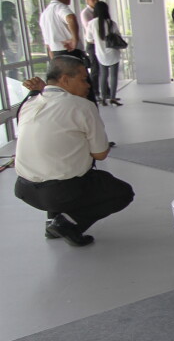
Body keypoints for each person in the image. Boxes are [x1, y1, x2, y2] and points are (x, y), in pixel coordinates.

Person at [13, 56, 134, 246]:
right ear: (65, 80)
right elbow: (100, 154)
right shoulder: (82, 106)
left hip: (23, 189)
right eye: (84, 79)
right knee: (121, 192)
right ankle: (67, 223)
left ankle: (50, 225)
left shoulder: (29, 104)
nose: (88, 85)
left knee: (56, 164)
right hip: (60, 192)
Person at [39, 0, 96, 104]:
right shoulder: (60, 7)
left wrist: (54, 59)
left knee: (65, 92)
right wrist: (74, 39)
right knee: (84, 89)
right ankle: (90, 117)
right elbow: (70, 18)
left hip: (56, 56)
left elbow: (48, 44)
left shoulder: (45, 14)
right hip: (70, 53)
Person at [87, 1, 123, 106]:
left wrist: (98, 41)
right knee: (113, 76)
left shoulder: (92, 23)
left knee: (103, 75)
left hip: (100, 53)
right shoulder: (111, 23)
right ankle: (112, 97)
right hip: (113, 52)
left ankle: (103, 98)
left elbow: (89, 39)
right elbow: (118, 36)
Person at [79, 0, 100, 103]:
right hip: (92, 44)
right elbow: (89, 29)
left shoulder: (99, 11)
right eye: (93, 0)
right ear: (87, 0)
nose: (96, 2)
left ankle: (104, 90)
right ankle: (95, 91)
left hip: (100, 44)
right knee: (95, 68)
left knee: (102, 68)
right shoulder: (85, 13)